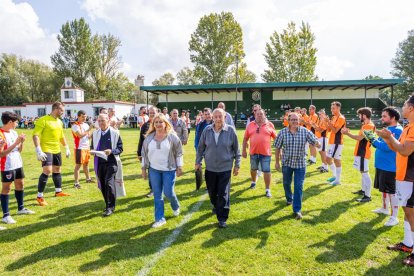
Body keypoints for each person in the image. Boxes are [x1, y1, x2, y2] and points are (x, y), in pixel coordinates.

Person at [378, 94, 414, 266]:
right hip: (404, 176)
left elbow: (405, 151)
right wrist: (387, 137)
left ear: (411, 108)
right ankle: (408, 244)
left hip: (411, 176)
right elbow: (397, 149)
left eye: (405, 104)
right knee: (408, 212)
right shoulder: (408, 127)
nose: (403, 107)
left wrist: (389, 137)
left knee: (412, 213)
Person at [196, 108, 240, 228]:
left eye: (220, 116)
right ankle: (216, 206)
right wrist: (198, 162)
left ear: (224, 117)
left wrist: (237, 165)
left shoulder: (230, 131)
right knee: (212, 192)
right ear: (212, 118)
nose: (218, 119)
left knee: (223, 192)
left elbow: (237, 149)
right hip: (210, 168)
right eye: (215, 116)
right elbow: (200, 148)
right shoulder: (207, 130)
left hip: (225, 168)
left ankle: (222, 218)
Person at [274, 112, 320, 220]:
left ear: (299, 121)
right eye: (293, 119)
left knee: (298, 186)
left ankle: (297, 210)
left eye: (296, 120)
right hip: (287, 164)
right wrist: (276, 162)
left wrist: (317, 144)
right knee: (286, 183)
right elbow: (277, 147)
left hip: (300, 164)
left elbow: (315, 141)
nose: (295, 121)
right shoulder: (283, 132)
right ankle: (289, 198)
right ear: (288, 121)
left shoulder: (305, 132)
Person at [141, 113, 183, 228]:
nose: (158, 124)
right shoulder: (149, 138)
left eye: (161, 122)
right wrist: (143, 168)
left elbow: (179, 153)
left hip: (169, 169)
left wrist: (179, 167)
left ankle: (175, 206)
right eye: (156, 122)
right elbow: (144, 154)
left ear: (165, 123)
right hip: (154, 170)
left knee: (169, 192)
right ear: (153, 124)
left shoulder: (172, 137)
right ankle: (160, 218)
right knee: (157, 195)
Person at [368, 107, 403, 226]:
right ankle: (384, 208)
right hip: (381, 165)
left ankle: (394, 216)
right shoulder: (387, 129)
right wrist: (372, 139)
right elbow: (378, 144)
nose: (382, 118)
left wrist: (373, 140)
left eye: (384, 116)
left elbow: (387, 147)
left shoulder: (397, 130)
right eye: (382, 116)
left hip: (390, 166)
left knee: (391, 192)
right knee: (383, 189)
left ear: (393, 118)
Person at [33, 102, 71, 206]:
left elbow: (61, 136)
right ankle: (39, 196)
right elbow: (35, 135)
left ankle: (58, 191)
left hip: (56, 149)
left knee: (57, 169)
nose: (63, 112)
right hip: (46, 149)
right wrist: (38, 150)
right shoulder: (43, 120)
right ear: (56, 109)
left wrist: (66, 147)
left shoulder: (59, 121)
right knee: (47, 170)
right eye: (61, 110)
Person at [0, 112, 34, 227]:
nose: (17, 124)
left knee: (20, 184)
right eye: (16, 122)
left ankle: (21, 208)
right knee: (7, 188)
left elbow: (19, 150)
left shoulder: (14, 132)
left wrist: (21, 143)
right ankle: (6, 215)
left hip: (17, 163)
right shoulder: (0, 134)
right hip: (7, 165)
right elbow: (1, 154)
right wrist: (16, 143)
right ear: (10, 122)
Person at [91, 114, 124, 217]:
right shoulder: (95, 133)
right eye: (99, 121)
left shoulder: (115, 133)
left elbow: (120, 148)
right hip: (99, 162)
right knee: (103, 184)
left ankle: (110, 207)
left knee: (109, 182)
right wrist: (92, 151)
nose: (101, 123)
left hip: (112, 162)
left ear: (108, 121)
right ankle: (107, 205)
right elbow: (92, 146)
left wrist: (112, 151)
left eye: (103, 120)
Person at [342, 107, 376, 202]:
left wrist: (347, 133)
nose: (358, 116)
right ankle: (363, 190)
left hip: (363, 152)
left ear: (364, 115)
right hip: (361, 152)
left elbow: (359, 138)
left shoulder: (368, 125)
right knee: (362, 172)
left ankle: (368, 196)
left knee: (365, 173)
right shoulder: (365, 125)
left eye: (359, 115)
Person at [243, 109, 277, 196]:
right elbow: (245, 138)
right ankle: (254, 182)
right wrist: (244, 150)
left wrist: (279, 150)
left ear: (264, 115)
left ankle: (267, 189)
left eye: (261, 114)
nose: (259, 116)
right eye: (257, 114)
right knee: (253, 169)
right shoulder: (250, 125)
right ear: (255, 115)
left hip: (266, 153)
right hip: (253, 152)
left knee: (266, 170)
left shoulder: (270, 125)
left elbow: (276, 139)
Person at [324, 101, 346, 186]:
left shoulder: (341, 118)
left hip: (337, 142)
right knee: (329, 159)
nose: (332, 109)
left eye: (333, 108)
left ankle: (337, 180)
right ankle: (335, 177)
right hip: (332, 141)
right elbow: (329, 130)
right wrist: (326, 122)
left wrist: (328, 122)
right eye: (331, 108)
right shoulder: (333, 117)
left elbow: (335, 130)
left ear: (338, 108)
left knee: (335, 159)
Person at [137, 106, 157, 197]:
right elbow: (141, 140)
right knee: (151, 171)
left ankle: (162, 188)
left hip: (161, 153)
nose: (152, 114)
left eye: (154, 112)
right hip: (149, 153)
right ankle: (152, 190)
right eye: (150, 113)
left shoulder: (162, 123)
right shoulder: (145, 125)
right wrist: (139, 153)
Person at [71, 110, 94, 189]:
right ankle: (76, 183)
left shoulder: (86, 125)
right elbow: (80, 135)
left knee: (86, 164)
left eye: (85, 117)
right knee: (78, 166)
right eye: (83, 117)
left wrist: (94, 133)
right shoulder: (75, 125)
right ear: (78, 116)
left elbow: (88, 136)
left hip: (86, 147)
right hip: (79, 148)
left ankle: (88, 179)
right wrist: (89, 130)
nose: (84, 118)